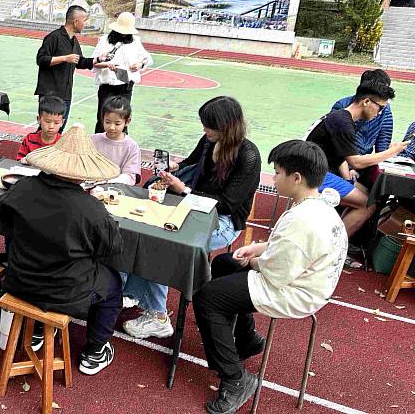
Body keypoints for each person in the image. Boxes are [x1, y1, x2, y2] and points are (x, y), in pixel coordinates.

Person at [192, 140, 347, 414]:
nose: (273, 178)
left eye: (277, 173)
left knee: (207, 298)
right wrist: (257, 248)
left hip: (294, 291)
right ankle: (246, 338)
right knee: (226, 263)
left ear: (296, 178)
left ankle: (235, 379)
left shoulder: (303, 219)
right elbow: (288, 246)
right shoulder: (316, 204)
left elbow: (276, 272)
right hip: (300, 277)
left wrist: (253, 259)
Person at [122, 96, 261, 339]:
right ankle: (137, 292)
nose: (204, 129)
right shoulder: (209, 140)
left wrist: (182, 189)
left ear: (227, 127)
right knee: (147, 230)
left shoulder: (248, 156)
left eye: (209, 125)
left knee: (162, 245)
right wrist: (175, 168)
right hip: (190, 205)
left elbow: (227, 204)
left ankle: (158, 316)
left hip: (222, 221)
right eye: (204, 124)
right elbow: (192, 161)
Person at [0, 123, 124, 375]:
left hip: (20, 279)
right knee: (113, 285)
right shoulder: (90, 208)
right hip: (64, 292)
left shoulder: (22, 188)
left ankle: (36, 333)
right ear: (82, 172)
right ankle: (95, 350)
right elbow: (112, 247)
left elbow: (2, 218)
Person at [305, 82, 409, 241]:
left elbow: (341, 157)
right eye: (380, 108)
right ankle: (331, 249)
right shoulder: (343, 123)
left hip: (315, 169)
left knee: (367, 193)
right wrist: (391, 152)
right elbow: (356, 162)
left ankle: (330, 238)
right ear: (366, 101)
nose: (380, 113)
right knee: (368, 204)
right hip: (315, 175)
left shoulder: (341, 118)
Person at [34, 0, 116, 132]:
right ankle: (35, 150)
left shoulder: (74, 41)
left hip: (65, 93)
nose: (86, 23)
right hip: (50, 92)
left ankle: (51, 152)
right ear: (76, 21)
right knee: (47, 128)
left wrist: (100, 59)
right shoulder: (54, 37)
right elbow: (41, 60)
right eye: (84, 20)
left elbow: (81, 62)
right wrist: (65, 58)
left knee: (58, 129)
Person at [91, 12, 152, 134]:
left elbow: (148, 59)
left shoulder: (135, 42)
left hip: (126, 87)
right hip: (107, 87)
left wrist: (140, 64)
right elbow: (93, 62)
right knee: (104, 119)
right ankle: (99, 147)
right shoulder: (104, 41)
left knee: (121, 120)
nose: (124, 34)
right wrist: (107, 64)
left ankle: (121, 147)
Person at [331, 69, 394, 183]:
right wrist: (349, 171)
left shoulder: (385, 110)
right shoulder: (342, 107)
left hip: (363, 164)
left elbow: (383, 143)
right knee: (364, 197)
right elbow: (337, 148)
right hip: (339, 165)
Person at [90, 96, 142, 185]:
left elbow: (130, 177)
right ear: (102, 119)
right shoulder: (93, 139)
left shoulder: (131, 146)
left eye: (117, 123)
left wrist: (108, 181)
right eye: (107, 122)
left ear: (127, 121)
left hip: (116, 189)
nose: (111, 127)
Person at [16, 95, 65, 161]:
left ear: (62, 122)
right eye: (47, 121)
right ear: (39, 119)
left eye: (56, 123)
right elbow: (19, 160)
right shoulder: (29, 139)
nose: (51, 126)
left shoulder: (63, 143)